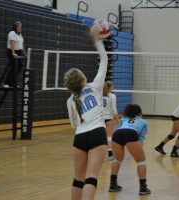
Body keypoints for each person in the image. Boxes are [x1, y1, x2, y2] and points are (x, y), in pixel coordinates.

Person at [65, 33, 108, 200]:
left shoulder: (70, 100)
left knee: (78, 179)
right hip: (97, 132)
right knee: (91, 177)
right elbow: (104, 61)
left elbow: (74, 124)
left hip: (80, 137)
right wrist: (98, 41)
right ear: (83, 78)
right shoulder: (96, 86)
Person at [109, 104, 151, 195]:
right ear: (139, 113)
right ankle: (143, 188)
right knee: (141, 161)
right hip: (130, 133)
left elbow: (118, 125)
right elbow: (141, 140)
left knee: (117, 160)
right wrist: (138, 152)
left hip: (117, 134)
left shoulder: (123, 119)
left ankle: (112, 185)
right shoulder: (143, 122)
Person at [3, 21, 26, 88]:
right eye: (20, 26)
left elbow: (21, 45)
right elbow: (12, 43)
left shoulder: (20, 34)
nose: (21, 27)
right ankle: (6, 83)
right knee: (13, 67)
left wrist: (24, 53)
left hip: (18, 52)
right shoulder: (12, 33)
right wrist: (13, 53)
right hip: (12, 51)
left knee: (20, 66)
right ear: (16, 27)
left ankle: (12, 82)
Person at [103, 81, 118, 160]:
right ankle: (110, 154)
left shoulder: (100, 95)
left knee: (101, 137)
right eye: (112, 86)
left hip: (100, 118)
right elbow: (113, 108)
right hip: (108, 117)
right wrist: (116, 118)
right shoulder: (112, 96)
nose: (113, 87)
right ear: (109, 87)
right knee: (109, 137)